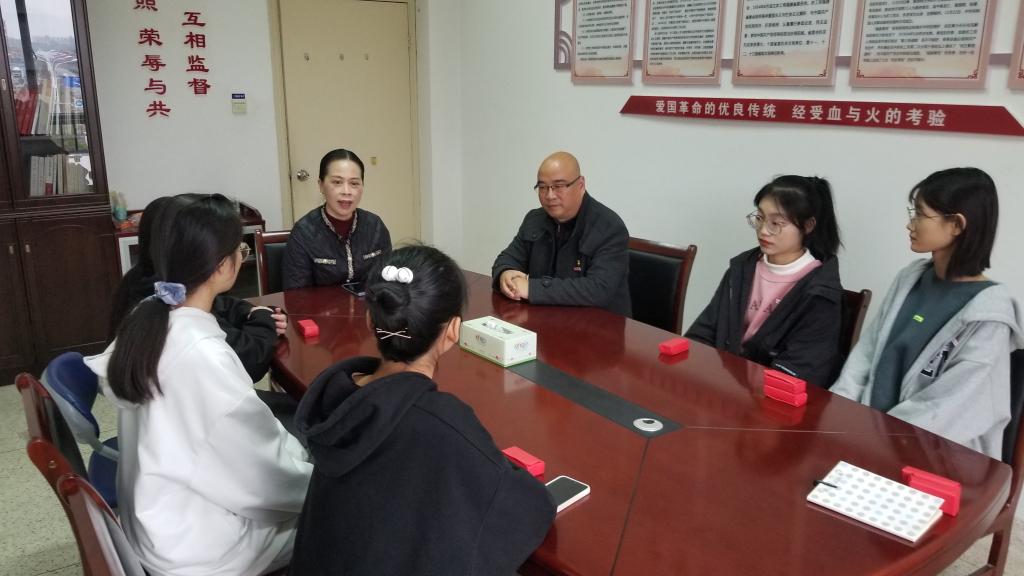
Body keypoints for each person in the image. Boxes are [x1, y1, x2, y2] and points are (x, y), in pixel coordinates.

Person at [291, 245, 555, 575]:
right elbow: (525, 508)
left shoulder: (339, 395)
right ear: (454, 330)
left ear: (371, 319)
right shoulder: (442, 423)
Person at [85, 194, 312, 576]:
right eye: (240, 249)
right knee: (345, 509)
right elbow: (267, 482)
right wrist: (320, 476)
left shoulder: (148, 315)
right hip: (197, 549)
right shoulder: (201, 357)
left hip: (156, 522)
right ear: (222, 266)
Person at [832, 168, 1022, 458]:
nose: (910, 224)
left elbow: (942, 411)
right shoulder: (910, 279)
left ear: (956, 224)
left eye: (920, 214)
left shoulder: (989, 315)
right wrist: (839, 414)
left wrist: (873, 441)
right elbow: (865, 357)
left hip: (934, 455)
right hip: (867, 436)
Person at [686, 175, 844, 388]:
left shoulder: (821, 292)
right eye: (760, 218)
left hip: (769, 398)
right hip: (723, 385)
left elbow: (800, 370)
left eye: (776, 223)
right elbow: (704, 332)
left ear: (808, 226)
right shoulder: (742, 268)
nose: (763, 230)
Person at [109, 195, 286, 383]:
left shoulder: (158, 285)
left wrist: (253, 312)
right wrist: (264, 320)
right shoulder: (183, 318)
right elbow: (249, 361)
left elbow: (220, 305)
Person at [492, 151, 631, 316]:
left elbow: (599, 289)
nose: (549, 195)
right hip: (545, 320)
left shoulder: (609, 227)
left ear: (581, 185)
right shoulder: (534, 219)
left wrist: (532, 289)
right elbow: (506, 259)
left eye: (558, 186)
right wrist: (505, 274)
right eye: (542, 187)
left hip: (598, 324)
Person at [283, 148, 392, 289]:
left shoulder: (375, 226)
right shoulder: (304, 232)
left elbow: (387, 281)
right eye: (337, 182)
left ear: (362, 186)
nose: (346, 192)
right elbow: (296, 293)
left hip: (368, 303)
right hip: (320, 304)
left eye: (354, 183)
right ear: (321, 185)